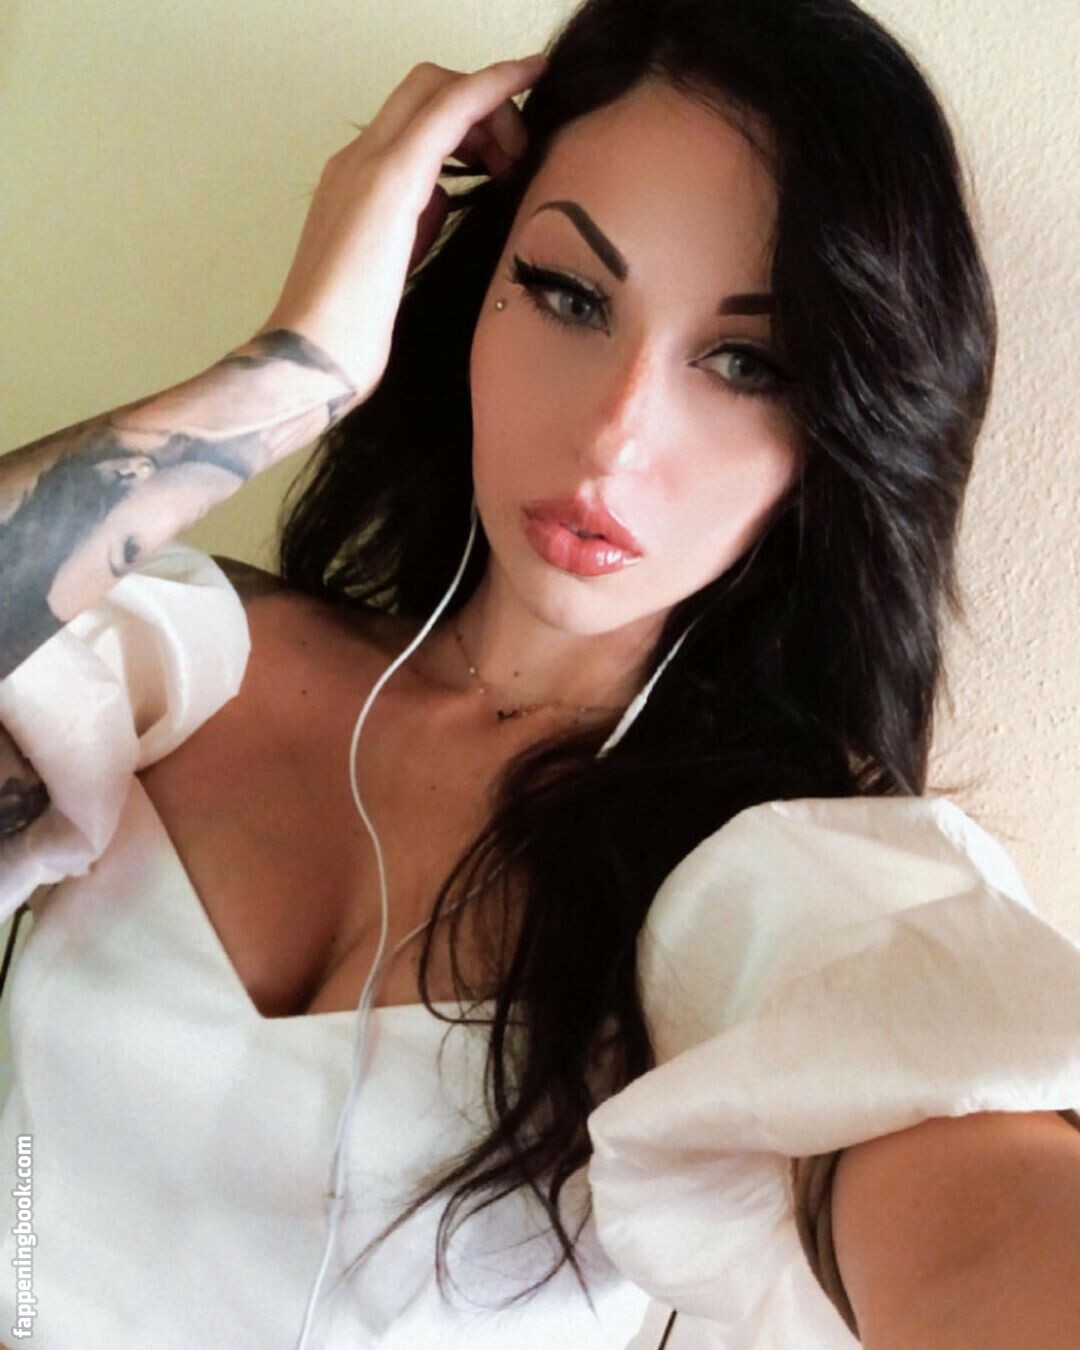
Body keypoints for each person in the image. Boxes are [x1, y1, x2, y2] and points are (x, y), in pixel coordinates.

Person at [1, 0, 1079, 1346]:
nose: (616, 435)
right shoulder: (179, 662)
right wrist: (289, 372)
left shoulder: (782, 883)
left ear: (837, 432)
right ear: (471, 288)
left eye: (747, 362)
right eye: (570, 295)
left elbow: (982, 1225)